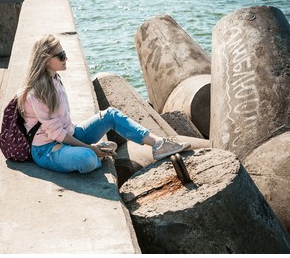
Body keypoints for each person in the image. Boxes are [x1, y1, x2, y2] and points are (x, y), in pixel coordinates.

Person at [17, 34, 190, 174]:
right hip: (47, 149)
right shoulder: (37, 93)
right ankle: (94, 153)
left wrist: (88, 143)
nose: (66, 58)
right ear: (46, 60)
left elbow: (63, 125)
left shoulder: (54, 77)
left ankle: (158, 144)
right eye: (61, 56)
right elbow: (55, 133)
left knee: (110, 115)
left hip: (69, 134)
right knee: (88, 159)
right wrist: (91, 148)